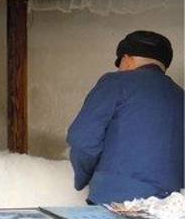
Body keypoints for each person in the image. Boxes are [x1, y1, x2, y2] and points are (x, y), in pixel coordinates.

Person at [67, 30, 183, 204]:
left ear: (127, 60)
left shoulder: (116, 82)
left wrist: (82, 179)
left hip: (117, 201)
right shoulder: (180, 96)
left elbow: (83, 140)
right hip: (172, 205)